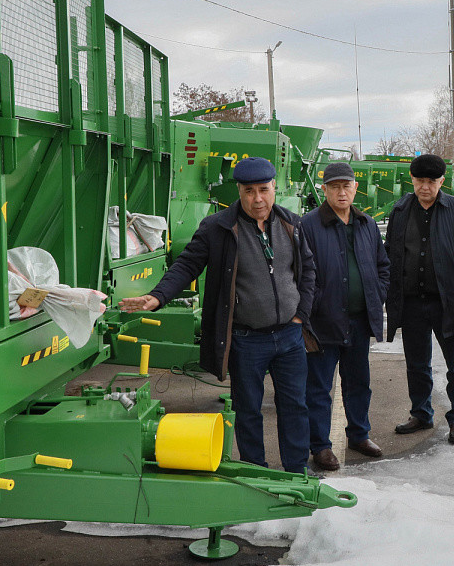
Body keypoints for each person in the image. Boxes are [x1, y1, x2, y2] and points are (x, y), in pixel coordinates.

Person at [119, 157, 315, 474]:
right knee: (248, 409)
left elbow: (308, 273)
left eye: (264, 190)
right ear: (239, 191)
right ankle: (257, 470)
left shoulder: (292, 224)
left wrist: (300, 315)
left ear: (274, 188)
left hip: (290, 336)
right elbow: (186, 265)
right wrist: (158, 296)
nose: (257, 199)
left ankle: (296, 471)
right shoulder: (218, 228)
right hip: (247, 339)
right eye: (249, 191)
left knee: (295, 406)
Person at [300, 162, 389, 470]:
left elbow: (382, 267)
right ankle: (321, 447)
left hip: (359, 321)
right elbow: (298, 273)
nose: (341, 192)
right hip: (323, 322)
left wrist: (378, 294)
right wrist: (312, 310)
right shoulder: (309, 225)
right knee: (319, 387)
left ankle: (359, 435)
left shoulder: (365, 224)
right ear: (324, 190)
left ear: (355, 188)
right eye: (334, 186)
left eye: (346, 186)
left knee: (359, 382)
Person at [386, 153, 454, 444]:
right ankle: (421, 413)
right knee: (417, 363)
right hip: (411, 302)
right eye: (420, 181)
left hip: (449, 302)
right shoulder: (400, 210)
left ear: (441, 181)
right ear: (411, 180)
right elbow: (391, 255)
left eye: (431, 181)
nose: (425, 187)